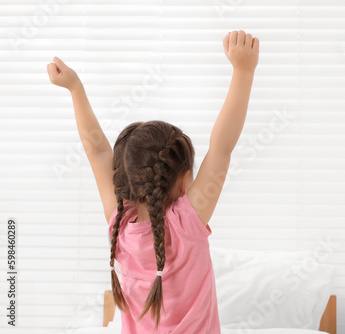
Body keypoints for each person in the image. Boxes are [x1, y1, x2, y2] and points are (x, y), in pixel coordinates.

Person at [46, 30, 259, 333]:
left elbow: (97, 151)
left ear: (125, 182)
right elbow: (222, 147)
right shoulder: (186, 222)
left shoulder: (119, 224)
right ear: (185, 182)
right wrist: (244, 70)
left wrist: (74, 88)